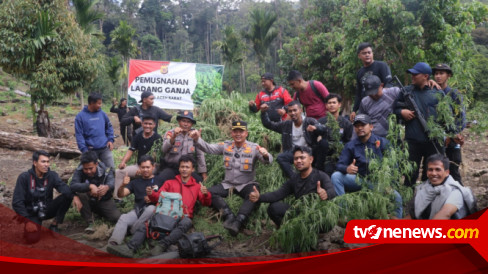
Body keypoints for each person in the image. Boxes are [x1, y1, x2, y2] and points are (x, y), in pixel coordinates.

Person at [107, 155, 211, 258]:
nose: (184, 169)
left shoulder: (197, 187)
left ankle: (162, 245)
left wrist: (206, 194)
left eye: (187, 167)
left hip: (183, 217)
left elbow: (205, 202)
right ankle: (129, 248)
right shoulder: (170, 183)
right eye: (182, 167)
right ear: (179, 168)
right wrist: (151, 194)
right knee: (146, 224)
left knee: (187, 222)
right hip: (166, 214)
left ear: (192, 169)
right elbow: (158, 197)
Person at [189, 121, 272, 236]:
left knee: (253, 194)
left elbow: (267, 162)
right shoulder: (226, 145)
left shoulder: (253, 148)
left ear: (246, 133)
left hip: (246, 184)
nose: (238, 134)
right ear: (231, 133)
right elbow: (209, 148)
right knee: (209, 192)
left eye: (241, 131)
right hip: (228, 184)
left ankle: (238, 222)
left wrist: (266, 155)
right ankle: (228, 215)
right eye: (235, 131)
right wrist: (197, 139)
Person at [331, 114, 403, 218]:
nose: (360, 128)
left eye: (363, 125)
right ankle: (343, 214)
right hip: (359, 180)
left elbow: (393, 165)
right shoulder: (350, 145)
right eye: (357, 126)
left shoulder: (382, 142)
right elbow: (339, 165)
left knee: (396, 197)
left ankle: (397, 227)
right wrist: (347, 168)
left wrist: (389, 184)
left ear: (371, 127)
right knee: (336, 176)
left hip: (379, 183)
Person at [249, 146, 337, 227]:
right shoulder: (294, 179)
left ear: (311, 159)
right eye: (296, 158)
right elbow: (278, 194)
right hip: (300, 213)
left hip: (317, 215)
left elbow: (332, 191)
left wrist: (326, 194)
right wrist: (259, 197)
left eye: (302, 158)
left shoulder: (321, 176)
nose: (298, 161)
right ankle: (289, 232)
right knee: (274, 208)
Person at [394, 62, 445, 187]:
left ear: (426, 76)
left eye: (415, 74)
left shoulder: (437, 93)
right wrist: (402, 112)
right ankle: (409, 203)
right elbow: (394, 109)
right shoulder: (406, 91)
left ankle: (429, 202)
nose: (412, 76)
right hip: (413, 141)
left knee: (431, 175)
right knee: (410, 174)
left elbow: (445, 117)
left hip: (432, 141)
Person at [12, 150, 75, 244]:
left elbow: (63, 187)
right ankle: (31, 225)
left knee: (67, 195)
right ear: (35, 163)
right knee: (32, 239)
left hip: (47, 209)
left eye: (48, 161)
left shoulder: (52, 175)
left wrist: (74, 196)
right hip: (32, 213)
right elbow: (17, 202)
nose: (46, 164)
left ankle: (54, 225)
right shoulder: (24, 177)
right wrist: (27, 220)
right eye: (43, 162)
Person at [108, 155, 163, 247]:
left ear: (153, 167)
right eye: (143, 167)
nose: (145, 170)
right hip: (138, 211)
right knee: (124, 218)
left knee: (151, 208)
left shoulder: (160, 180)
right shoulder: (135, 182)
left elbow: (166, 197)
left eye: (148, 167)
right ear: (139, 168)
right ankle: (113, 243)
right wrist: (122, 185)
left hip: (153, 214)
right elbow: (121, 194)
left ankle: (131, 231)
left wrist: (154, 197)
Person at [405, 154, 476, 220]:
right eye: (430, 170)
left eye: (438, 169)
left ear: (447, 172)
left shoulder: (455, 191)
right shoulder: (423, 189)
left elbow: (445, 214)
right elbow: (412, 216)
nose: (433, 173)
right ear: (426, 172)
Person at [261, 100, 319, 178]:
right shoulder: (286, 125)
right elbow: (269, 124)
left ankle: (317, 174)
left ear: (301, 110)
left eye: (295, 110)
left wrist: (316, 128)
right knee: (280, 157)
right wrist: (263, 113)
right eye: (290, 111)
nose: (292, 113)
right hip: (293, 152)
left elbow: (323, 129)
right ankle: (294, 178)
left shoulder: (309, 121)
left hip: (309, 151)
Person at [70, 151, 121, 232]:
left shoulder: (106, 169)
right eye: (85, 169)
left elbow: (112, 182)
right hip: (87, 199)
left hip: (103, 199)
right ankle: (90, 222)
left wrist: (106, 187)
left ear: (96, 164)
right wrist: (89, 186)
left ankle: (98, 213)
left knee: (116, 217)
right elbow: (73, 185)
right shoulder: (79, 170)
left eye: (91, 168)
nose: (88, 171)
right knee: (81, 194)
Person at [432, 63, 466, 184]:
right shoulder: (432, 93)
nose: (438, 76)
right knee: (436, 172)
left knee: (454, 171)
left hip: (452, 140)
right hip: (436, 139)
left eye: (441, 73)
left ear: (448, 75)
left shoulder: (454, 94)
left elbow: (460, 118)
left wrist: (452, 135)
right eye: (436, 73)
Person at [114, 115, 161, 199]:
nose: (147, 126)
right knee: (119, 172)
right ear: (142, 124)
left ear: (154, 125)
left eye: (150, 124)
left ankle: (147, 197)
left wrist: (144, 169)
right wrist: (123, 162)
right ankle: (118, 198)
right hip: (138, 165)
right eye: (145, 123)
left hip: (153, 166)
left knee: (147, 173)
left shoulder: (157, 138)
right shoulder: (138, 136)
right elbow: (130, 150)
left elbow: (154, 156)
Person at [307, 93, 353, 175]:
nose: (331, 105)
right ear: (326, 105)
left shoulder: (346, 123)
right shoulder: (321, 122)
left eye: (334, 103)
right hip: (324, 156)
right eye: (329, 103)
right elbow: (313, 141)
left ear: (339, 105)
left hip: (340, 155)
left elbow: (349, 141)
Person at [159, 110, 207, 184]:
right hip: (171, 168)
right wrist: (173, 137)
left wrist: (203, 173)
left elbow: (200, 155)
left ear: (191, 124)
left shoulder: (194, 135)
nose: (186, 124)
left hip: (187, 169)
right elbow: (164, 150)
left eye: (188, 122)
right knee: (161, 179)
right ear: (179, 122)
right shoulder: (171, 133)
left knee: (199, 182)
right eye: (183, 121)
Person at [351, 42, 392, 122]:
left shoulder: (382, 66)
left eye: (369, 52)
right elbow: (358, 93)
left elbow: (389, 83)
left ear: (372, 53)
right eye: (364, 53)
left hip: (380, 105)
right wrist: (354, 110)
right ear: (359, 56)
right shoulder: (360, 72)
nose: (367, 55)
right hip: (365, 106)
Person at [75, 92, 115, 169]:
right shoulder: (80, 117)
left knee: (111, 169)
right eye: (99, 103)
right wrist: (84, 149)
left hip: (104, 148)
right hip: (90, 150)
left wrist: (110, 139)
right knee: (89, 171)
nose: (100, 105)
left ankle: (110, 181)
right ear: (92, 103)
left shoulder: (102, 114)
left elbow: (109, 127)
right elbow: (79, 135)